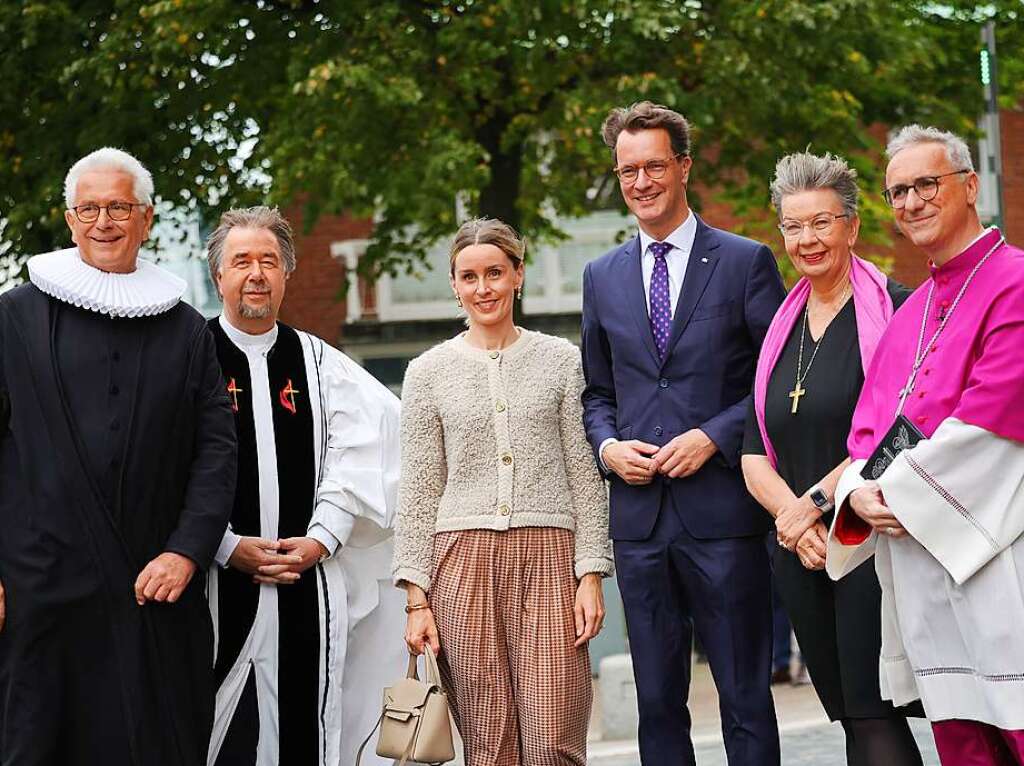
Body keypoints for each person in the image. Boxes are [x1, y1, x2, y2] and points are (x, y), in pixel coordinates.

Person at [0, 147, 236, 764]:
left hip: (152, 588)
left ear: (147, 218)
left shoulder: (187, 329)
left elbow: (216, 451)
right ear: (70, 218)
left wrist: (186, 551)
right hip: (39, 587)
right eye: (90, 208)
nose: (104, 221)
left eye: (119, 207)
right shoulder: (15, 319)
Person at [581, 101, 785, 765]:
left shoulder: (744, 261)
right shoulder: (600, 276)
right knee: (658, 705)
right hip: (640, 525)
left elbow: (775, 379)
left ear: (684, 167)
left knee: (745, 699)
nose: (642, 182)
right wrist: (608, 447)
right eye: (628, 170)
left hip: (724, 515)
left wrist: (715, 437)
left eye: (655, 167)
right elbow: (598, 392)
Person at [827, 125, 1024, 765]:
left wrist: (898, 496)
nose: (911, 202)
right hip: (919, 570)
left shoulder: (1016, 281)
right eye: (896, 192)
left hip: (998, 552)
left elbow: (994, 422)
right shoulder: (908, 313)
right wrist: (857, 494)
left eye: (925, 184)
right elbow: (866, 438)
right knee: (960, 740)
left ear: (969, 186)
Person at [394, 217, 613, 766]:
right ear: (453, 284)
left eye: (495, 272)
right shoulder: (427, 373)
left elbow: (585, 475)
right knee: (489, 743)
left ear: (518, 274)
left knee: (554, 736)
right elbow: (420, 490)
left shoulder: (562, 360)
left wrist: (590, 573)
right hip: (460, 565)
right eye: (469, 276)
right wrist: (417, 599)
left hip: (550, 560)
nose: (483, 287)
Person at [202, 207, 406, 766]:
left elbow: (366, 451)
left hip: (306, 583)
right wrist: (225, 545)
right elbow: (163, 468)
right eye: (241, 261)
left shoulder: (319, 364)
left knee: (307, 732)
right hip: (212, 583)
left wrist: (321, 539)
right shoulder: (189, 358)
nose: (256, 274)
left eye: (269, 261)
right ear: (218, 275)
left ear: (287, 275)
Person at [741, 151, 923, 765]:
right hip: (803, 548)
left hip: (868, 538)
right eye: (793, 226)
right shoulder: (779, 327)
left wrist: (816, 505)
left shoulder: (897, 310)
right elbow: (751, 450)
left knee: (875, 712)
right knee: (847, 714)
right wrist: (794, 521)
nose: (806, 239)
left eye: (821, 222)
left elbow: (901, 430)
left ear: (851, 225)